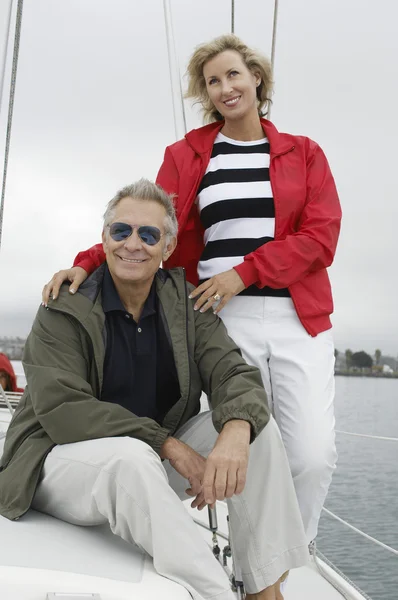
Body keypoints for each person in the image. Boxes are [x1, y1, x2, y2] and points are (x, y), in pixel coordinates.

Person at [42, 34, 342, 545]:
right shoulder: (188, 155)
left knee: (313, 455)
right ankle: (259, 569)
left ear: (256, 78)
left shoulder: (305, 153)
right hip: (219, 314)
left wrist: (244, 272)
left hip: (299, 315)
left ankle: (298, 548)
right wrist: (88, 262)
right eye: (212, 82)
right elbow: (151, 226)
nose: (225, 88)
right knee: (252, 440)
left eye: (233, 75)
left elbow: (321, 236)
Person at [1, 179, 308, 600]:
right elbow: (64, 410)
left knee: (257, 429)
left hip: (148, 463)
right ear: (104, 239)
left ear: (167, 248)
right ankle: (215, 593)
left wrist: (236, 430)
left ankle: (264, 591)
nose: (133, 244)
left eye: (148, 235)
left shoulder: (186, 307)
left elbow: (232, 371)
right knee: (130, 456)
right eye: (120, 231)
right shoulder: (63, 307)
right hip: (54, 465)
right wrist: (169, 445)